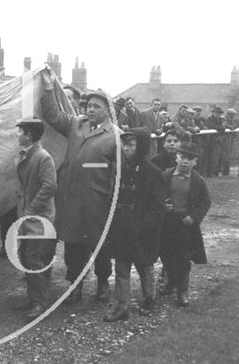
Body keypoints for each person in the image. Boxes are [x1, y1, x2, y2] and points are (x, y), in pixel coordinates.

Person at [40, 70, 117, 304]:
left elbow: (116, 176)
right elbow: (53, 115)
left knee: (99, 246)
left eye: (96, 106)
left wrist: (112, 201)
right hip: (72, 200)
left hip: (97, 202)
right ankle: (75, 285)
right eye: (88, 106)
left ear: (107, 110)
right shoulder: (76, 125)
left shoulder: (115, 136)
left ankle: (103, 283)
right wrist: (48, 89)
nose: (90, 110)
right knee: (73, 246)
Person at [104, 129, 166, 322]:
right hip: (123, 227)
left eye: (131, 145)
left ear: (142, 147)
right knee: (121, 267)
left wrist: (145, 228)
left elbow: (158, 206)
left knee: (144, 265)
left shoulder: (152, 172)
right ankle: (122, 306)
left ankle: (150, 298)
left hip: (142, 230)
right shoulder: (122, 168)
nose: (126, 148)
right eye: (124, 145)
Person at [14, 118, 57, 320]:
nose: (17, 135)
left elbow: (49, 187)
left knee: (34, 261)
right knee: (26, 258)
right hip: (29, 219)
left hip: (39, 220)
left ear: (29, 135)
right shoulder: (29, 154)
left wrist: (31, 208)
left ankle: (39, 304)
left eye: (20, 131)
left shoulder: (42, 157)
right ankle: (33, 298)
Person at [159, 142, 210, 306]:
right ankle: (171, 282)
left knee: (183, 258)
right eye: (182, 157)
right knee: (166, 254)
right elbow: (155, 196)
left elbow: (205, 202)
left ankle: (182, 290)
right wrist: (162, 205)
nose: (185, 162)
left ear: (195, 162)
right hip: (168, 222)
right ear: (177, 157)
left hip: (186, 224)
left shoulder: (197, 181)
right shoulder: (166, 175)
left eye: (190, 159)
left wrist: (193, 217)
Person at [204, 106, 227, 177]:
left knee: (219, 156)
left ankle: (216, 172)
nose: (218, 114)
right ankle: (209, 173)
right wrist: (220, 128)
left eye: (219, 113)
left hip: (219, 140)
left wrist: (222, 135)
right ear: (213, 112)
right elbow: (210, 126)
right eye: (216, 112)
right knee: (211, 156)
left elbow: (223, 128)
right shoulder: (210, 119)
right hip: (211, 140)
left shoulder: (220, 119)